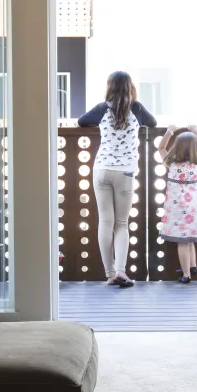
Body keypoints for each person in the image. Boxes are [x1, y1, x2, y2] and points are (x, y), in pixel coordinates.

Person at [77, 71, 157, 287]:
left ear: (110, 87)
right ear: (130, 87)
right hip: (125, 172)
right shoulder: (137, 108)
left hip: (102, 169)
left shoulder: (103, 108)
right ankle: (121, 270)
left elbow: (82, 121)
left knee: (105, 221)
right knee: (121, 223)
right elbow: (153, 122)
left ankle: (110, 273)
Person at [157, 125, 197, 283]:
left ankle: (186, 275)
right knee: (190, 239)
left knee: (182, 242)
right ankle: (192, 266)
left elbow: (161, 147)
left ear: (176, 147)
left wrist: (169, 131)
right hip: (193, 209)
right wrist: (196, 131)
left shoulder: (171, 164)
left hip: (177, 210)